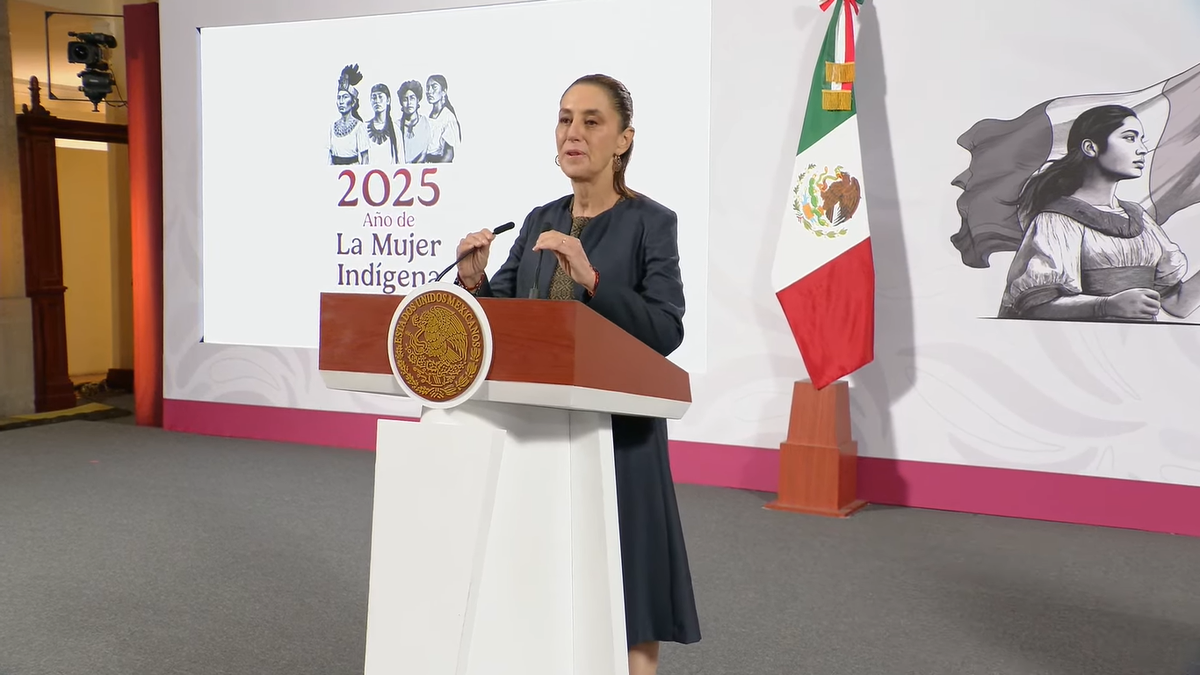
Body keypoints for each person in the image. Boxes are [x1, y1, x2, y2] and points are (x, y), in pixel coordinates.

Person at [452, 73, 702, 675]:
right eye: (565, 119)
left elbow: (666, 329)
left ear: (623, 140)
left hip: (621, 434)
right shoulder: (537, 220)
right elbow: (506, 326)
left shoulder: (651, 223)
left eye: (592, 121)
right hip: (540, 432)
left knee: (630, 585)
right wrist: (474, 283)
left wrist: (593, 280)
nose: (573, 132)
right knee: (549, 579)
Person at [999, 104, 1200, 321]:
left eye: (1142, 140)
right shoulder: (1057, 220)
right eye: (1130, 138)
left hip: (1140, 347)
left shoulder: (1140, 218)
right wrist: (1105, 306)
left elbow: (1177, 304)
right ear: (1090, 148)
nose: (1142, 149)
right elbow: (1034, 307)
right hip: (1081, 346)